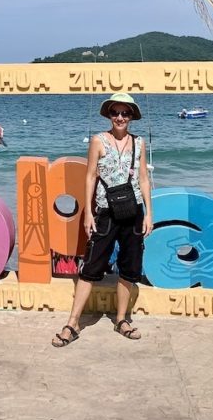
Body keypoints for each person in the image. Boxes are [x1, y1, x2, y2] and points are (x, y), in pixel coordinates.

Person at [51, 92, 153, 347]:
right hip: (105, 212)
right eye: (115, 112)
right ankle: (72, 322)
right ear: (109, 115)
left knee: (129, 268)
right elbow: (90, 176)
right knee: (91, 267)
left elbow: (143, 179)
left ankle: (121, 320)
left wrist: (149, 213)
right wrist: (88, 213)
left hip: (133, 211)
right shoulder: (98, 140)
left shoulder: (138, 143)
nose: (120, 117)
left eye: (125, 113)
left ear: (132, 117)